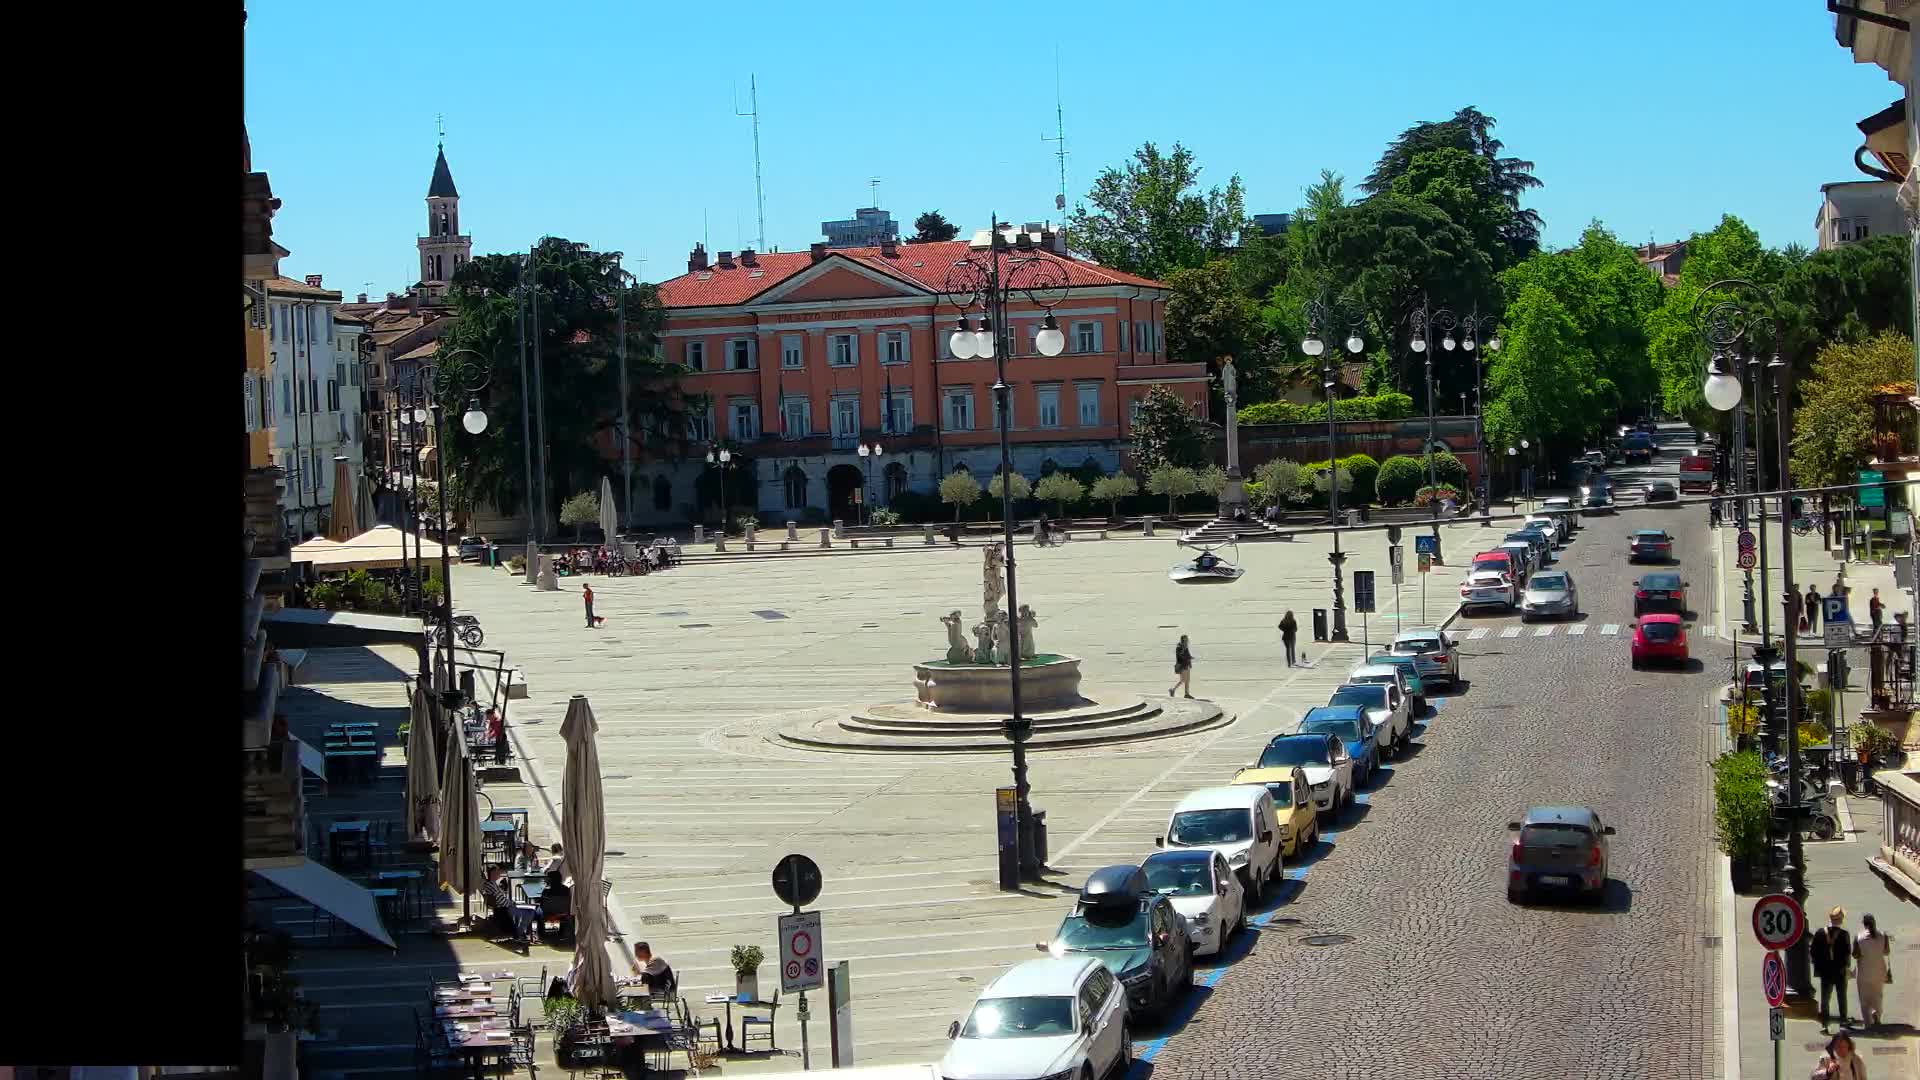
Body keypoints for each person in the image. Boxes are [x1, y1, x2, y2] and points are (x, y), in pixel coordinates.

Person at [1811, 906, 1853, 1032]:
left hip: (1825, 972)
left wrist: (1819, 967)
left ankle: (1825, 1024)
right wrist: (1846, 967)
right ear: (1841, 920)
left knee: (1825, 999)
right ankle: (1843, 1023)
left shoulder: (1819, 933)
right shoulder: (1844, 934)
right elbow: (1847, 953)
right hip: (1839, 972)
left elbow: (1813, 952)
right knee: (1842, 998)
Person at [481, 866, 538, 946]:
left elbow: (501, 898)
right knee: (530, 912)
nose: (499, 874)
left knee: (530, 912)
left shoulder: (494, 884)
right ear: (491, 873)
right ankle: (520, 934)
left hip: (505, 906)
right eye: (497, 872)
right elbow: (499, 899)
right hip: (503, 908)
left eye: (499, 872)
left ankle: (522, 934)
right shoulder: (490, 885)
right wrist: (512, 904)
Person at [1853, 913, 1893, 1028]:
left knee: (1864, 998)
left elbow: (1855, 955)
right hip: (1879, 971)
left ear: (1864, 924)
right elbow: (1886, 952)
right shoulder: (1883, 935)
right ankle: (1877, 1014)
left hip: (1864, 971)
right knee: (1878, 995)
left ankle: (1868, 1022)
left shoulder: (1858, 936)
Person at [1169, 635, 1194, 699]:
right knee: (1183, 680)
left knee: (1187, 680)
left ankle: (1186, 694)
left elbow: (1188, 655)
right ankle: (1173, 689)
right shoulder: (1179, 646)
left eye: (1187, 639)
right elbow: (1180, 656)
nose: (1186, 640)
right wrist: (1185, 652)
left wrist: (1190, 659)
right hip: (1182, 665)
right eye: (1185, 639)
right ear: (1182, 639)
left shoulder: (1185, 646)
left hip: (1187, 665)